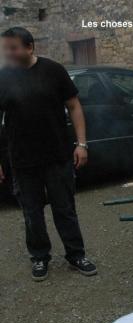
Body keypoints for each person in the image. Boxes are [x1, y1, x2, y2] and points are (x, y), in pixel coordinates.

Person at [0, 27, 97, 281]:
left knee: (64, 209)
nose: (7, 53)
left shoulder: (53, 70)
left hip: (57, 156)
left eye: (12, 48)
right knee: (31, 213)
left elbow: (74, 106)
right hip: (21, 160)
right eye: (5, 48)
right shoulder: (3, 77)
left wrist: (82, 144)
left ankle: (76, 254)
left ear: (29, 47)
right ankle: (40, 257)